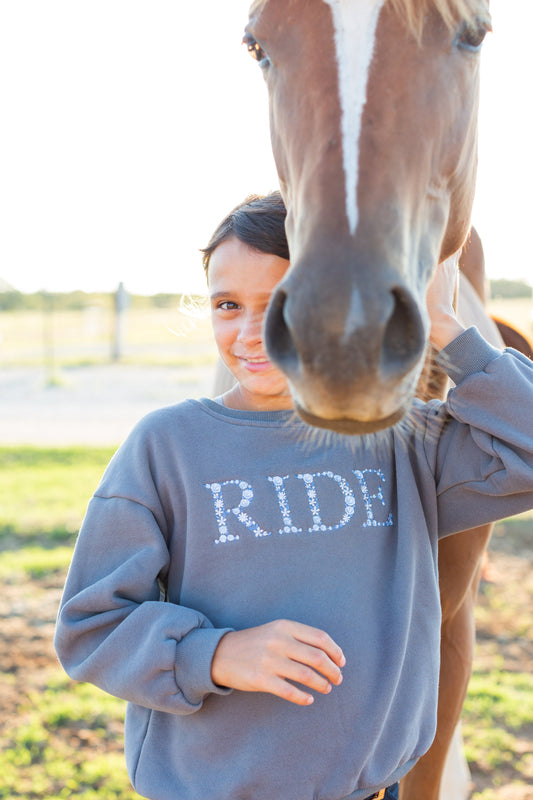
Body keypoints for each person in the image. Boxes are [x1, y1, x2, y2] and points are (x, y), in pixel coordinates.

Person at [54, 191, 533, 800]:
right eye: (227, 304)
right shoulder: (167, 446)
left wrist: (443, 324)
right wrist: (217, 654)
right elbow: (91, 627)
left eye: (284, 304)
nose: (252, 333)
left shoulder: (401, 442)